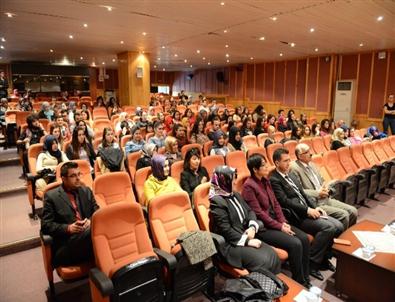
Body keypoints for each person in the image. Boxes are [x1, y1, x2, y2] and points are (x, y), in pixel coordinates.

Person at [270, 148, 343, 280]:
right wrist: (307, 210)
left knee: (339, 225)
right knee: (329, 227)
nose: (288, 163)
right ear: (276, 163)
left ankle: (323, 258)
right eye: (285, 161)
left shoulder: (291, 174)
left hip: (307, 211)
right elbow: (285, 202)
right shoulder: (274, 179)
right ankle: (312, 263)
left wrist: (316, 208)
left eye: (289, 160)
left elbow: (303, 195)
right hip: (296, 216)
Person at [242, 154, 311, 287]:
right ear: (255, 169)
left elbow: (276, 204)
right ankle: (299, 281)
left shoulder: (266, 181)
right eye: (263, 165)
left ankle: (306, 276)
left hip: (276, 222)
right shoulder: (249, 186)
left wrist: (283, 222)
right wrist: (280, 227)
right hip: (264, 227)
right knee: (295, 243)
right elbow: (259, 214)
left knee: (303, 238)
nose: (267, 166)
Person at [209, 166, 281, 274]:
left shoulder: (236, 195)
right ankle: (262, 288)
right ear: (224, 181)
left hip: (244, 235)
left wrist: (252, 227)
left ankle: (276, 286)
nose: (235, 182)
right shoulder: (217, 202)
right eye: (232, 179)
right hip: (231, 244)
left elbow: (250, 211)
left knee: (272, 255)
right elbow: (226, 230)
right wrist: (247, 241)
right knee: (263, 261)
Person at [41, 161, 99, 266]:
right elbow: (45, 225)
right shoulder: (51, 197)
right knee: (97, 231)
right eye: (73, 176)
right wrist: (68, 228)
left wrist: (90, 221)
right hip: (67, 246)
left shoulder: (86, 191)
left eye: (79, 174)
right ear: (63, 178)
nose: (78, 178)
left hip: (88, 240)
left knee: (105, 224)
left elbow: (98, 213)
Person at [291, 143, 358, 230]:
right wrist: (318, 193)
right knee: (344, 215)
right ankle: (339, 240)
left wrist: (326, 188)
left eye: (309, 151)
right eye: (307, 152)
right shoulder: (294, 168)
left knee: (353, 211)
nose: (311, 154)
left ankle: (348, 234)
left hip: (326, 198)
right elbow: (299, 191)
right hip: (315, 202)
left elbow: (322, 181)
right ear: (300, 156)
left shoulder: (312, 164)